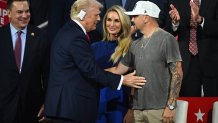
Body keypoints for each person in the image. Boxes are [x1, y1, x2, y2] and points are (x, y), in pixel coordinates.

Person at [44, 0, 146, 123]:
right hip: (77, 105)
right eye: (97, 15)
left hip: (116, 102)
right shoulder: (79, 38)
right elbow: (90, 70)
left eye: (117, 20)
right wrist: (122, 79)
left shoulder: (70, 32)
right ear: (83, 15)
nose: (99, 19)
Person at [107, 1, 183, 123]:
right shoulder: (135, 45)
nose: (132, 19)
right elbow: (118, 70)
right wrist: (93, 73)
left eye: (135, 16)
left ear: (146, 17)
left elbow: (177, 73)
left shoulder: (167, 39)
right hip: (137, 111)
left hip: (159, 111)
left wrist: (171, 106)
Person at [0, 0, 50, 123]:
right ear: (9, 13)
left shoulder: (41, 36)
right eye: (19, 12)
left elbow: (48, 73)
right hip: (3, 107)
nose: (25, 15)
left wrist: (48, 102)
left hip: (33, 109)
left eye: (27, 11)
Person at [167, 0, 218, 96]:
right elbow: (168, 30)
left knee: (213, 103)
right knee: (189, 103)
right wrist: (175, 23)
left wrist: (201, 20)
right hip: (186, 60)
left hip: (211, 59)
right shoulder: (175, 2)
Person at [91, 5, 132, 123]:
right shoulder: (94, 47)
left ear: (123, 23)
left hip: (120, 102)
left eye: (116, 20)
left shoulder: (129, 48)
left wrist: (131, 109)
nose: (112, 24)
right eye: (109, 20)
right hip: (97, 101)